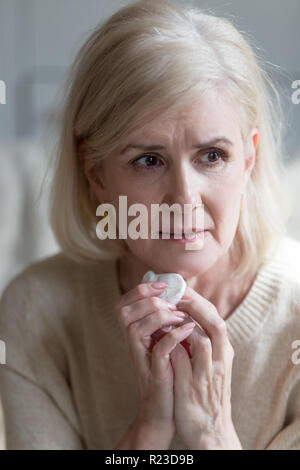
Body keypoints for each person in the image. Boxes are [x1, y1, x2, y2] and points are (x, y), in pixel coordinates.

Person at [0, 0, 299, 450]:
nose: (184, 197)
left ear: (249, 159)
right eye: (149, 160)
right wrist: (149, 431)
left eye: (212, 156)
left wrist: (211, 432)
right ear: (95, 172)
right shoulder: (35, 311)